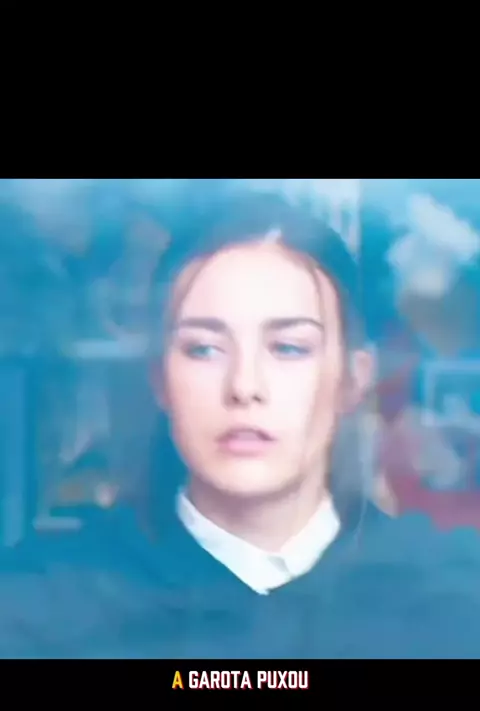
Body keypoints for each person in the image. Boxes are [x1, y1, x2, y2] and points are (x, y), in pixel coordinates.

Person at [2, 191, 480, 658]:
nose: (245, 386)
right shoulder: (42, 606)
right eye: (204, 349)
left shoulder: (452, 603)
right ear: (160, 379)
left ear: (353, 379)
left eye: (288, 348)